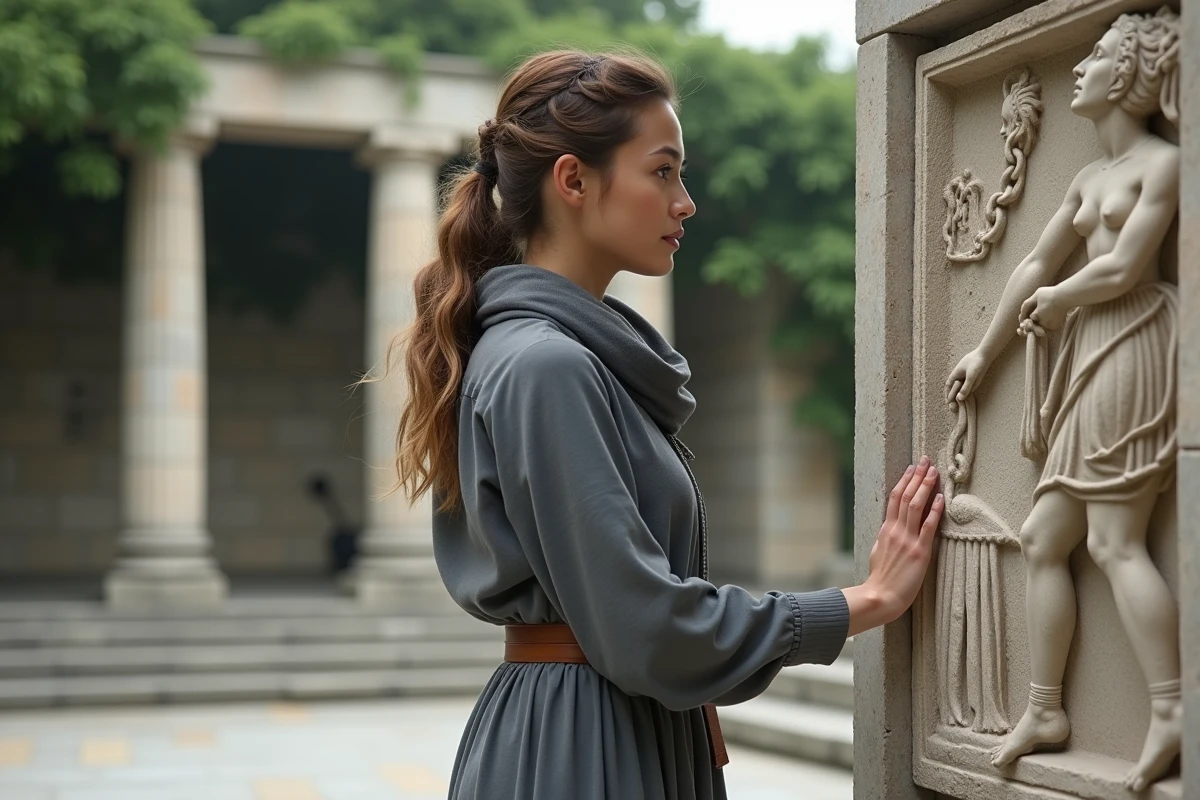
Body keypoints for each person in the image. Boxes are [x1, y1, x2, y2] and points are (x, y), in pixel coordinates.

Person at [387, 49, 941, 800]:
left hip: (604, 729)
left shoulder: (565, 358)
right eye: (663, 171)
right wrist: (864, 600)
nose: (686, 201)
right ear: (575, 181)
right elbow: (647, 625)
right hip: (584, 750)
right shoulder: (544, 365)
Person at [945, 8, 1181, 791]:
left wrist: (1063, 299)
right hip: (1084, 351)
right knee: (1047, 536)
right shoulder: (1086, 180)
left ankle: (1172, 709)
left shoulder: (1160, 165)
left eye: (1099, 55)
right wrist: (985, 350)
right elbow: (1034, 266)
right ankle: (1046, 709)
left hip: (1128, 343)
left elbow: (1125, 271)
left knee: (1115, 541)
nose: (1079, 67)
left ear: (1134, 77)